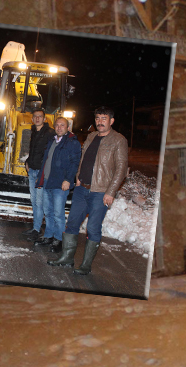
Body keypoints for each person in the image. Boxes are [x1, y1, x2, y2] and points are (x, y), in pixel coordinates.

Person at [49, 106, 129, 275]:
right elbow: (83, 159)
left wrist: (111, 192)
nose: (100, 122)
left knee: (92, 228)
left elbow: (121, 169)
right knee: (72, 224)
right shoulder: (91, 136)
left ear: (111, 121)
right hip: (82, 189)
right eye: (98, 118)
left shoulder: (118, 140)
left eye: (104, 118)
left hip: (100, 192)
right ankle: (67, 258)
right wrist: (78, 176)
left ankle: (85, 265)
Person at [35, 116, 81, 252]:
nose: (59, 128)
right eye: (57, 125)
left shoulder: (72, 143)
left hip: (60, 184)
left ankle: (59, 239)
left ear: (68, 128)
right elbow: (46, 160)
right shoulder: (52, 141)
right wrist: (40, 178)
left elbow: (75, 163)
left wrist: (68, 179)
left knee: (58, 213)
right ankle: (49, 236)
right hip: (47, 181)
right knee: (48, 212)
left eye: (62, 125)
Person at [20, 108, 52, 238]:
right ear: (32, 119)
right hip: (32, 170)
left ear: (44, 118)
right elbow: (34, 150)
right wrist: (27, 161)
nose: (37, 118)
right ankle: (35, 228)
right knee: (34, 201)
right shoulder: (33, 131)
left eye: (40, 116)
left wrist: (44, 172)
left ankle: (38, 230)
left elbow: (49, 154)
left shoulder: (49, 133)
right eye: (35, 116)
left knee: (40, 202)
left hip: (40, 172)